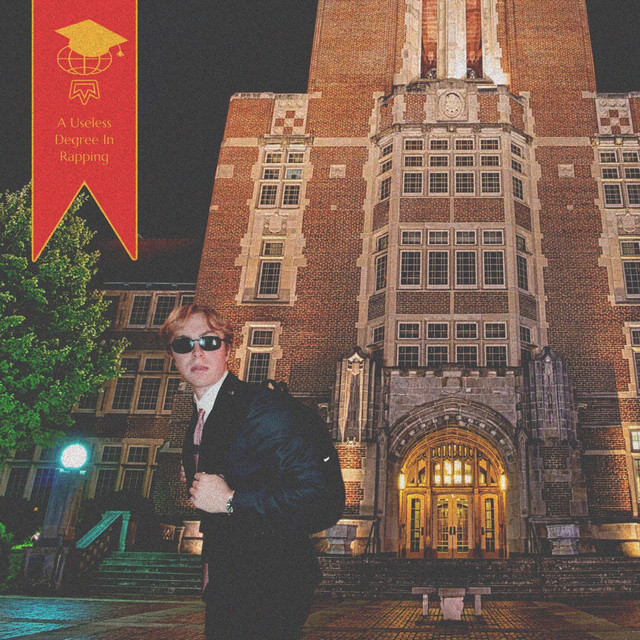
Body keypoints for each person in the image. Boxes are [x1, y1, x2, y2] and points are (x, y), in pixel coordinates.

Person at [160, 304, 340, 640]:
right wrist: (210, 568)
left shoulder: (262, 407)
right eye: (183, 344)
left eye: (209, 342)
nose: (197, 353)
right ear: (173, 356)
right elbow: (215, 513)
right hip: (229, 584)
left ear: (228, 349)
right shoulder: (201, 418)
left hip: (271, 586)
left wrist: (231, 500)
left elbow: (323, 499)